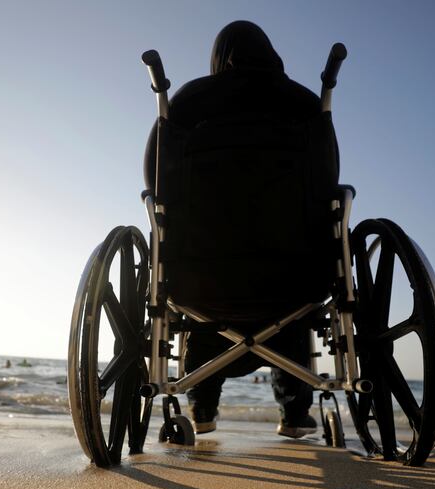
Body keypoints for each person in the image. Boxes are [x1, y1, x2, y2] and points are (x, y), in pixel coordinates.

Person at [144, 21, 337, 439]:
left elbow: (156, 186)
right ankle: (294, 415)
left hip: (201, 280)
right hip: (294, 279)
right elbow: (327, 185)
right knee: (293, 318)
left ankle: (202, 408)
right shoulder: (304, 104)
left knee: (202, 310)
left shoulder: (190, 102)